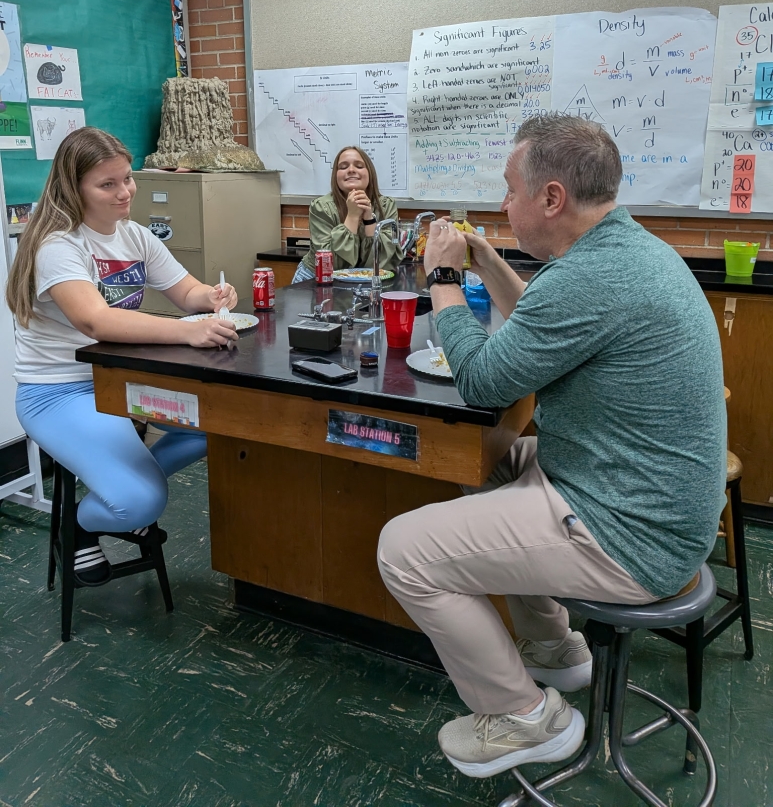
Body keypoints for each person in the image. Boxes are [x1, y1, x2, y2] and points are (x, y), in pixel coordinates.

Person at [377, 113, 726, 779]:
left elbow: (482, 379)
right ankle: (553, 647)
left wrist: (442, 279)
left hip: (634, 532)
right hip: (635, 488)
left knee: (404, 552)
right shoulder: (620, 252)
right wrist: (487, 260)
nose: (504, 205)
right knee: (484, 460)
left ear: (551, 198)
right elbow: (538, 319)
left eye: (511, 191)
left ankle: (525, 719)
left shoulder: (591, 278)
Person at [7, 128, 238, 586]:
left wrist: (211, 296)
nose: (124, 192)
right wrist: (187, 333)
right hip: (58, 393)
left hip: (119, 380)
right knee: (140, 502)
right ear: (74, 188)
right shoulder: (59, 245)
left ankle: (121, 492)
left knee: (223, 422)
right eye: (107, 184)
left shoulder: (133, 235)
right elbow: (96, 322)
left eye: (127, 178)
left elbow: (186, 292)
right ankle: (81, 524)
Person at [292, 146, 403, 281]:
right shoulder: (321, 207)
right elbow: (330, 264)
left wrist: (369, 219)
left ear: (370, 172)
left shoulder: (386, 206)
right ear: (336, 176)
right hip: (317, 278)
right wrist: (352, 216)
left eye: (359, 166)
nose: (351, 170)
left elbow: (383, 262)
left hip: (366, 282)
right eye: (343, 167)